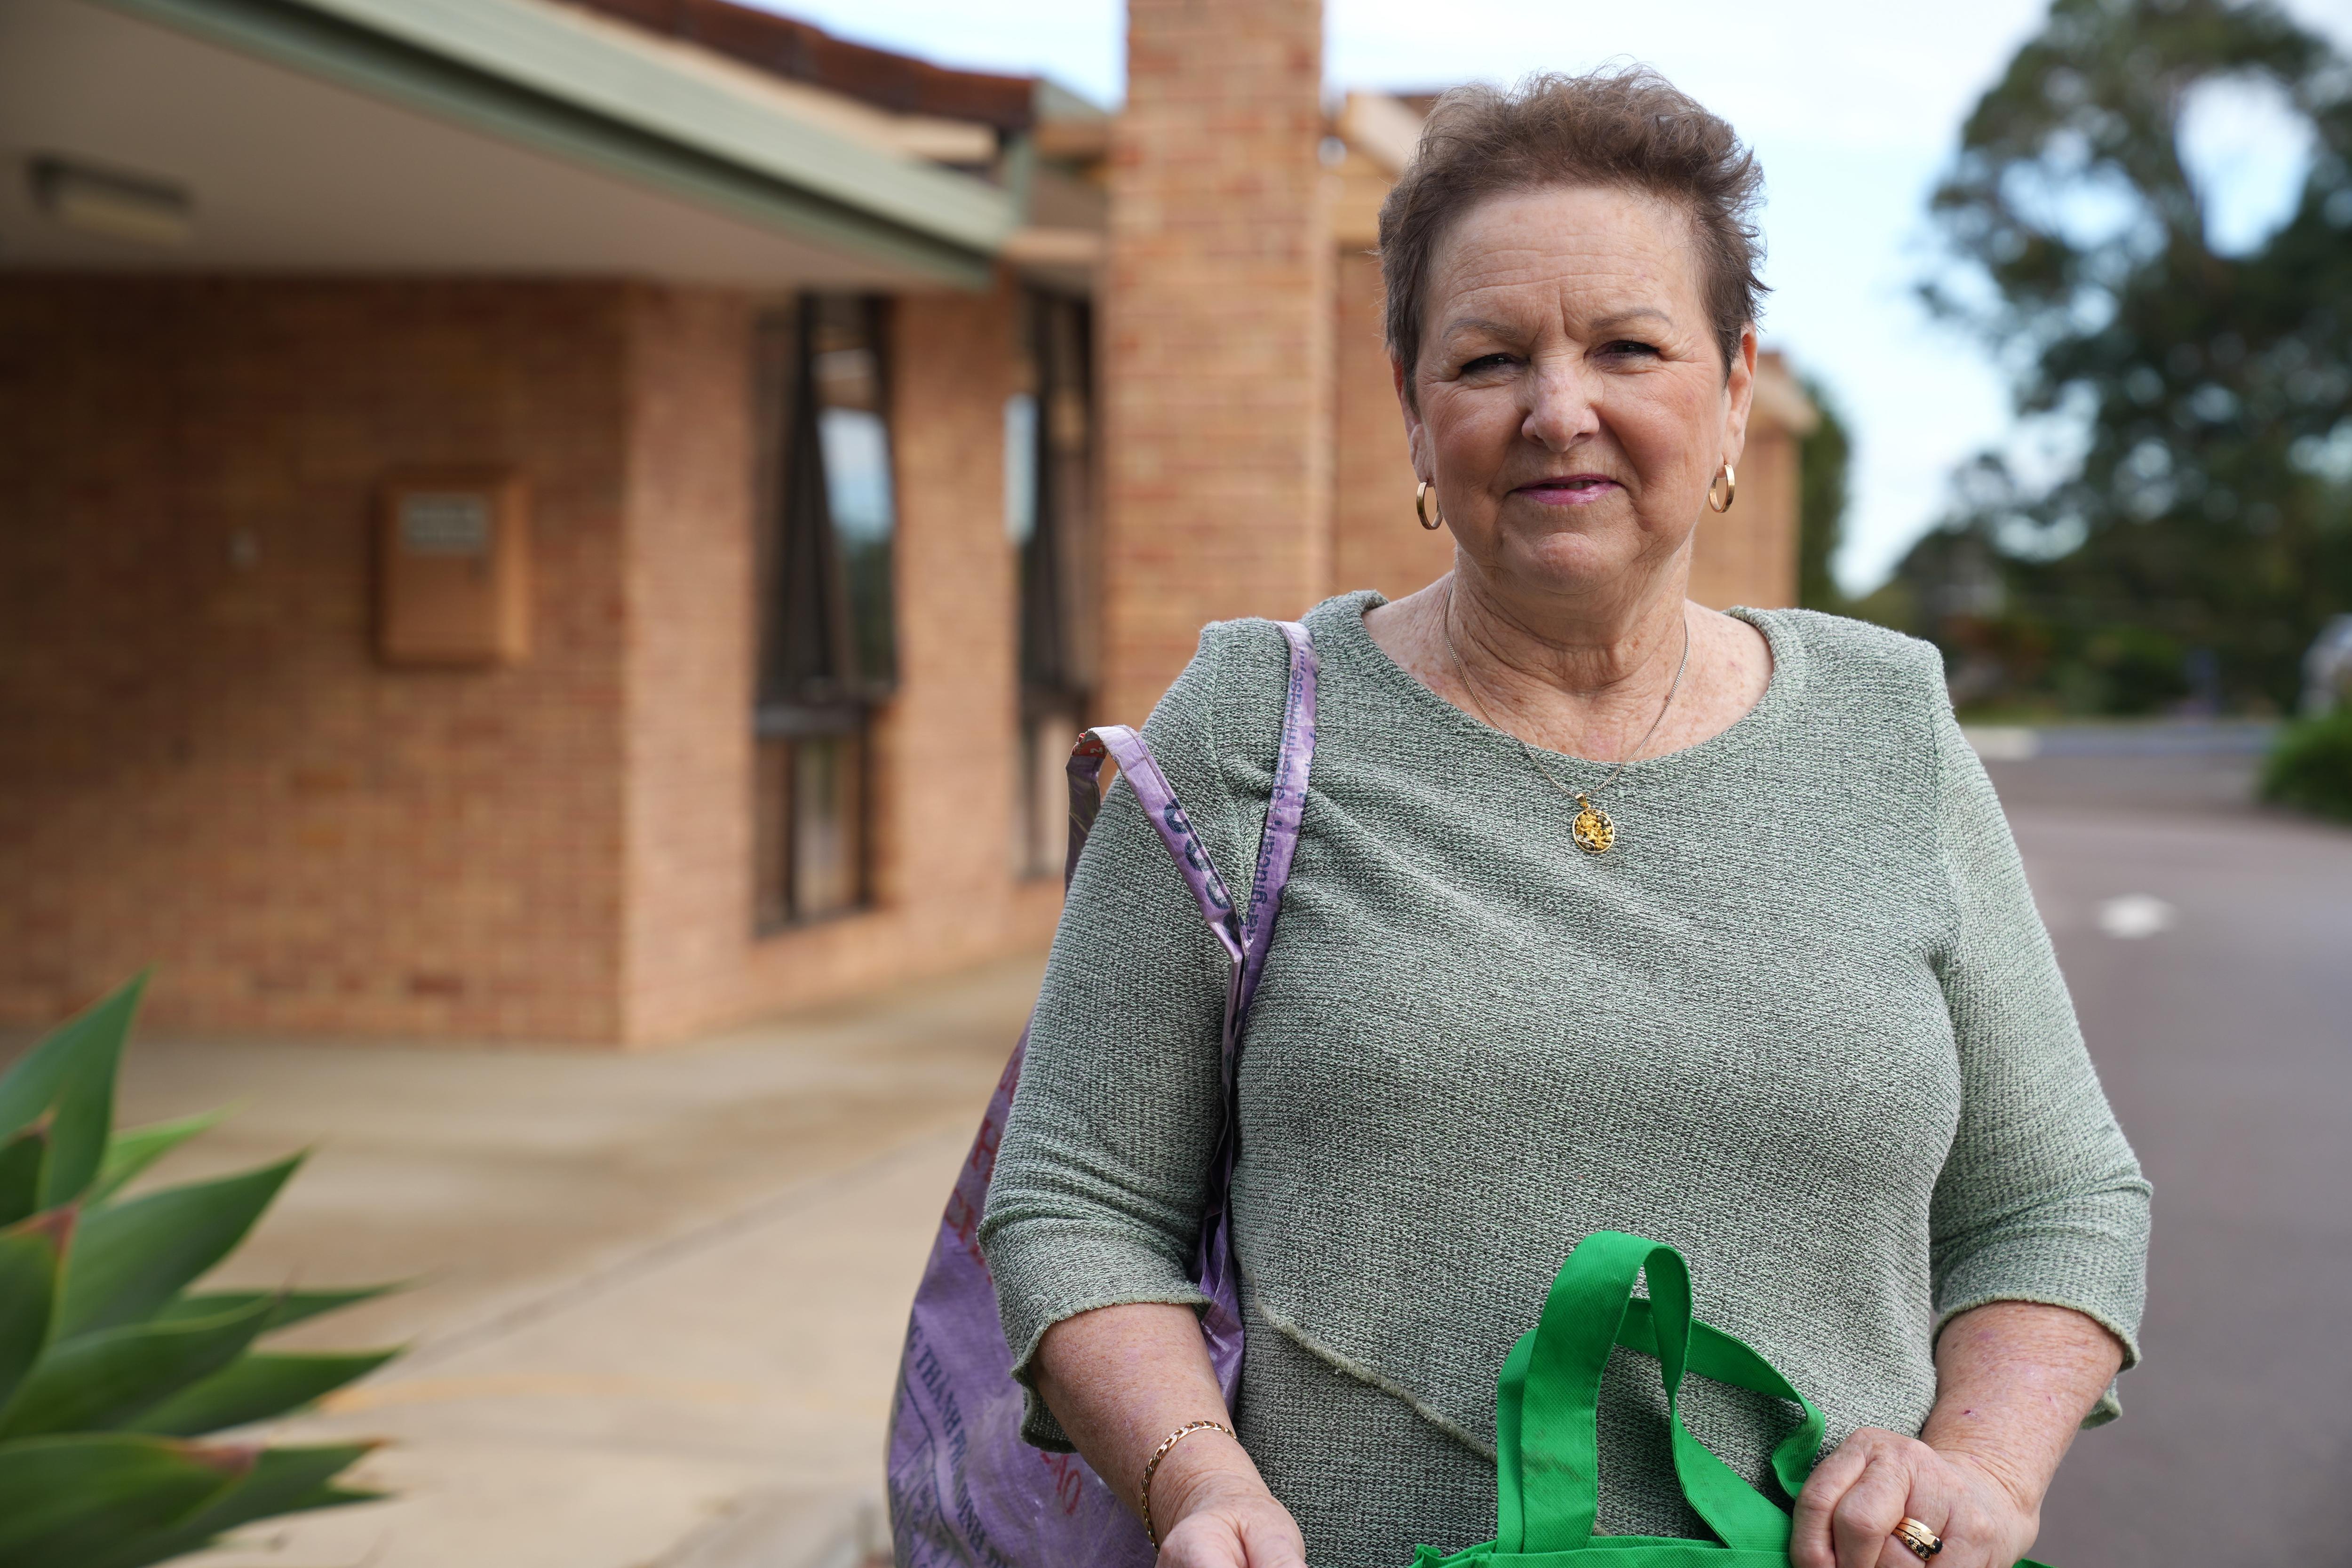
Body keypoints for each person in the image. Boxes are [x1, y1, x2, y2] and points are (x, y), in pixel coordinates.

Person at [978, 67, 2148, 1568]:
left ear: (1732, 392)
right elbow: (1076, 1196)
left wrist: (1977, 1469)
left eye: (1627, 347)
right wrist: (1199, 1484)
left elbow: (2058, 1200)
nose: (1558, 409)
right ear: (1412, 409)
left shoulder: (1888, 727)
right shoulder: (1254, 726)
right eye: (1487, 359)